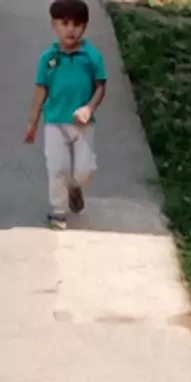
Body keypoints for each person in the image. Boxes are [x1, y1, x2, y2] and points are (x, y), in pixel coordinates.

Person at [24, 0, 107, 229]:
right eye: (65, 23)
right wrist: (32, 122)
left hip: (83, 124)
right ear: (54, 24)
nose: (71, 29)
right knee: (57, 166)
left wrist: (89, 108)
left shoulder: (92, 56)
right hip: (54, 122)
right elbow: (41, 90)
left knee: (84, 170)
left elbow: (100, 87)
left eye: (77, 25)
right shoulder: (48, 58)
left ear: (85, 27)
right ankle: (58, 211)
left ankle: (75, 187)